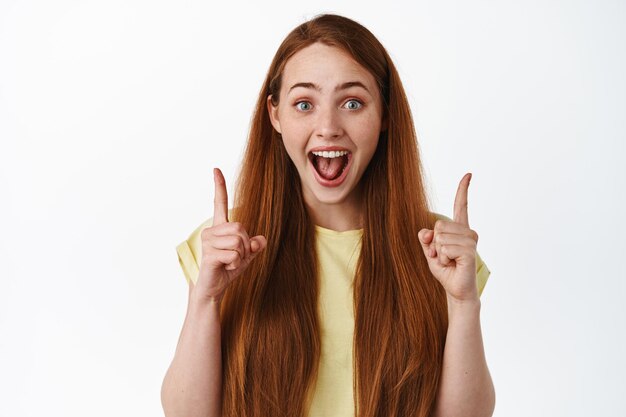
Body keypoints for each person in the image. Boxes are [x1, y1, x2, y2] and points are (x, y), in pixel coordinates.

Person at [161, 13, 494, 417]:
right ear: (275, 115)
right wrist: (206, 299)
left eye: (352, 103)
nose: (328, 127)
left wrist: (462, 303)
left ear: (386, 115)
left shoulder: (441, 252)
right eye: (304, 104)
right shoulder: (223, 244)